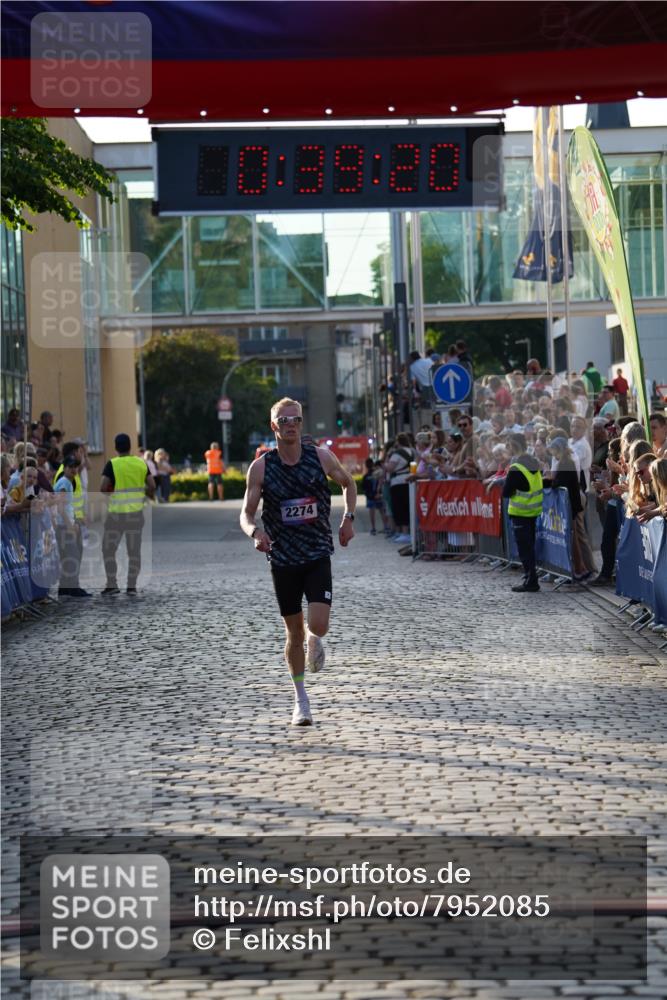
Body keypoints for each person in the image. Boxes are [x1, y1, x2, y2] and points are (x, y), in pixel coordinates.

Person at [240, 397, 356, 727]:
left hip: (317, 551)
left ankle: (314, 638)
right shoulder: (261, 467)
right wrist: (255, 533)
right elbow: (247, 514)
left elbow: (348, 483)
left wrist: (348, 518)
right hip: (283, 558)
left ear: (302, 424)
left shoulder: (320, 457)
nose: (291, 424)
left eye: (296, 419)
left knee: (318, 625)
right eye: (284, 420)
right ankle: (300, 700)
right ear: (273, 426)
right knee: (292, 632)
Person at [101, 433, 155, 595]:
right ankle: (131, 586)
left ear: (116, 447)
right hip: (135, 515)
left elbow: (103, 487)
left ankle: (112, 584)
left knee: (108, 550)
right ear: (130, 446)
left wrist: (112, 494)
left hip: (116, 515)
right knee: (134, 552)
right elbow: (152, 485)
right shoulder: (141, 463)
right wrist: (143, 497)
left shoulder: (112, 464)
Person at [502, 433, 543, 593]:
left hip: (520, 513)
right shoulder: (534, 463)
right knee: (529, 547)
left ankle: (531, 579)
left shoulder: (516, 468)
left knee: (524, 549)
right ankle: (530, 577)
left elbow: (506, 492)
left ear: (513, 445)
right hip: (532, 513)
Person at [53, 455, 90, 598]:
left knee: (69, 557)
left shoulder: (69, 481)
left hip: (67, 524)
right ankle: (72, 588)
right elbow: (61, 507)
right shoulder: (64, 483)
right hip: (64, 526)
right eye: (71, 467)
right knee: (73, 556)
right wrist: (70, 525)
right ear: (65, 468)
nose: (74, 469)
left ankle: (65, 588)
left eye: (76, 466)